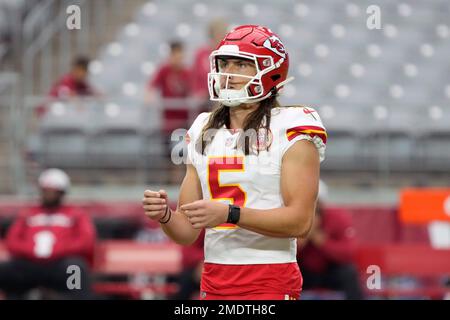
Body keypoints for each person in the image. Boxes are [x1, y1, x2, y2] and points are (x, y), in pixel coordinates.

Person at [142, 25, 327, 300]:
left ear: (270, 71)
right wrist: (166, 216)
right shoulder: (204, 127)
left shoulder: (291, 126)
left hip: (268, 279)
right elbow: (186, 232)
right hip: (214, 278)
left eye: (241, 64)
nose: (228, 72)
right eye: (225, 62)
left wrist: (230, 214)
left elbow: (300, 222)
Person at [0, 169, 96, 299]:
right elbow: (12, 240)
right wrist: (32, 251)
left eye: (53, 191)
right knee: (6, 270)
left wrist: (58, 251)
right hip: (30, 265)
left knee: (76, 270)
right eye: (45, 191)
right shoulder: (28, 214)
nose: (48, 195)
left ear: (61, 193)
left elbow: (86, 241)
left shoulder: (76, 214)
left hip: (60, 265)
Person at [297, 180, 364, 300]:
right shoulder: (294, 218)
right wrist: (303, 238)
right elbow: (283, 252)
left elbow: (349, 252)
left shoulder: (337, 217)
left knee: (349, 272)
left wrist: (323, 242)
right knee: (285, 271)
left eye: (317, 206)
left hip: (329, 270)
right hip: (303, 271)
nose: (313, 210)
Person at [145, 40, 192, 137]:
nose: (178, 58)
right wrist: (149, 95)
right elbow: (151, 86)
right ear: (171, 55)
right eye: (175, 55)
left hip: (184, 121)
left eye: (180, 55)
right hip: (167, 121)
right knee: (167, 148)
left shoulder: (188, 72)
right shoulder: (164, 70)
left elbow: (194, 90)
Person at [191, 18, 229, 109]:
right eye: (218, 33)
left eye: (223, 33)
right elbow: (194, 75)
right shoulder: (201, 53)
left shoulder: (228, 54)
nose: (220, 36)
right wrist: (197, 91)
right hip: (203, 99)